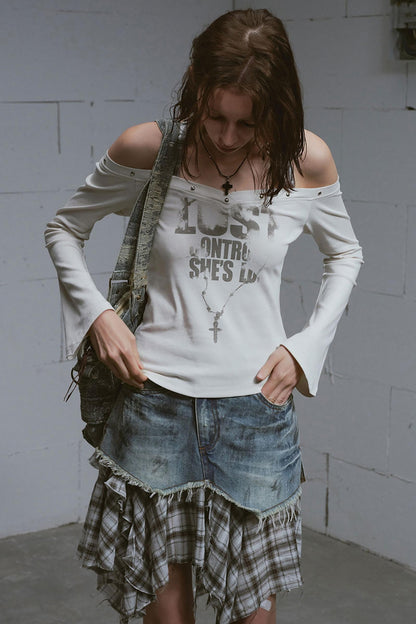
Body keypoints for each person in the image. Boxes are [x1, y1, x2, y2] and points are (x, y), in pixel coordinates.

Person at [45, 8, 363, 624]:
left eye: (248, 121)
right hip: (154, 405)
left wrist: (306, 348)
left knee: (253, 614)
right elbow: (64, 228)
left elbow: (345, 254)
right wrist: (98, 317)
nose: (227, 136)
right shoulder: (150, 149)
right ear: (196, 86)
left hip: (256, 412)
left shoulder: (305, 161)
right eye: (215, 116)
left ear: (277, 106)